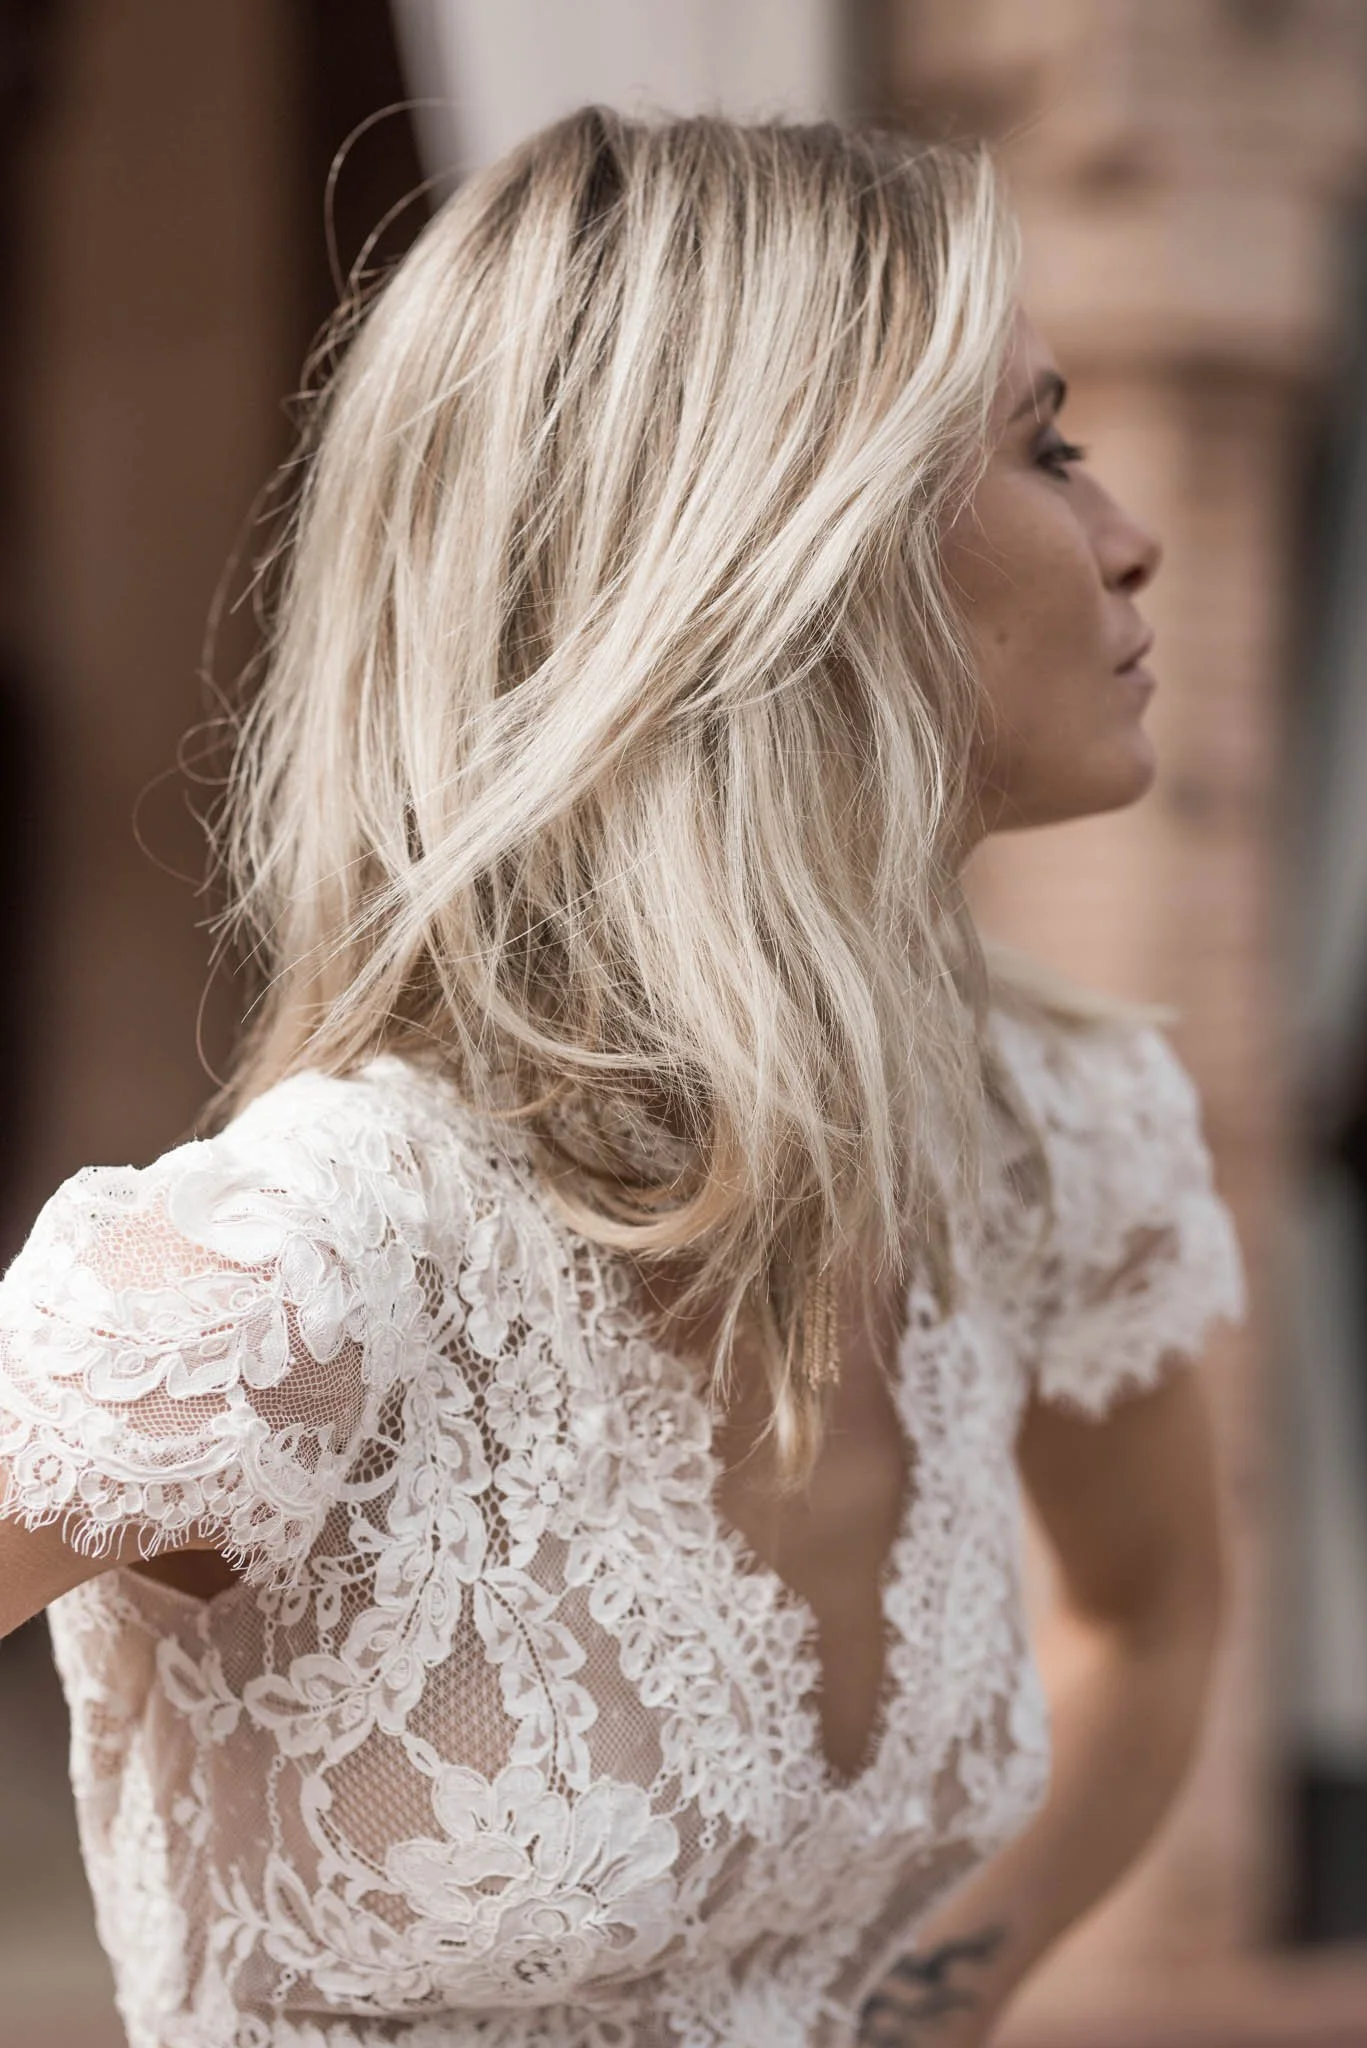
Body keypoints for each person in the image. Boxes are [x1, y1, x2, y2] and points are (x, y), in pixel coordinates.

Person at [0, 108, 1246, 2048]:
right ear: (778, 552)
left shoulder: (1056, 1134)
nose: (1125, 533)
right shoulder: (287, 1273)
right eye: (1039, 445)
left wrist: (930, 1997)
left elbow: (1150, 1619)